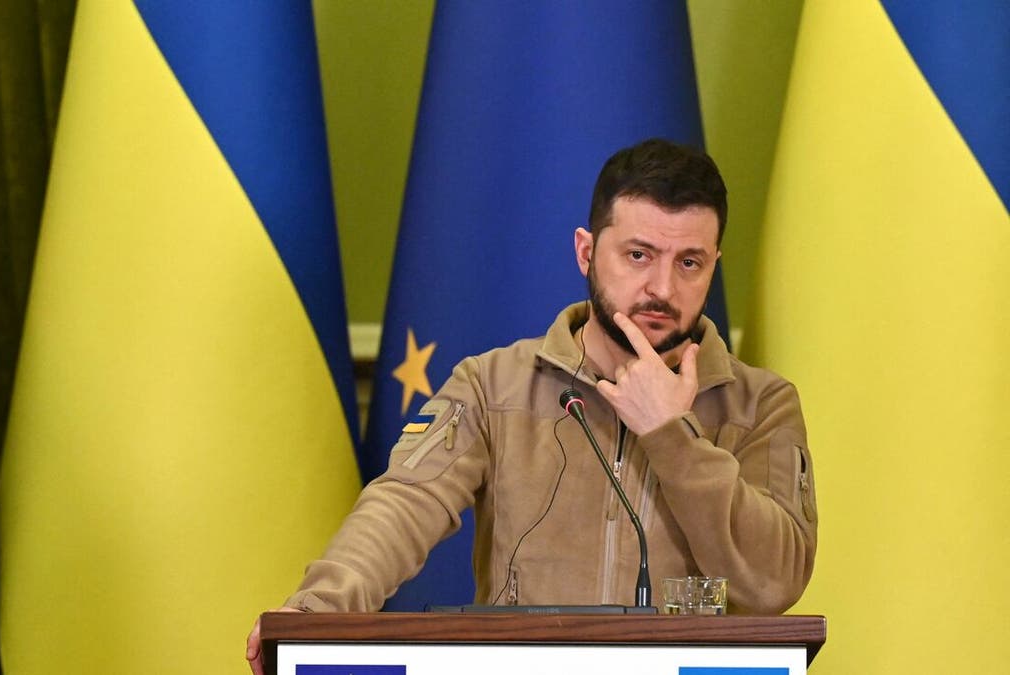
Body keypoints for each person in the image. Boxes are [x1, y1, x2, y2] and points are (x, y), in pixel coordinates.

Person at [246, 138, 817, 673]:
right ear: (586, 252)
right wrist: (317, 609)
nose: (662, 288)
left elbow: (774, 583)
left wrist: (669, 434)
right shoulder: (493, 384)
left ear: (714, 264)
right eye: (638, 255)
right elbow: (404, 504)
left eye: (689, 263)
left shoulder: (761, 404)